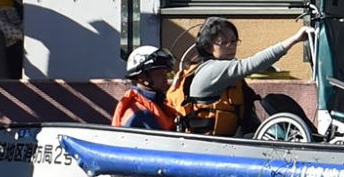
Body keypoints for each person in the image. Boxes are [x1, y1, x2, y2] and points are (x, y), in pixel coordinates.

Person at [167, 17, 313, 136]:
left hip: (233, 137)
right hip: (212, 144)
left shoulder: (224, 68)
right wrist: (295, 39)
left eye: (233, 40)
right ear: (207, 47)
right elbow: (252, 64)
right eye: (223, 42)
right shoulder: (211, 70)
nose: (231, 45)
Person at [113, 45, 178, 130]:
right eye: (159, 74)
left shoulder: (156, 103)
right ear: (142, 77)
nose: (165, 79)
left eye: (166, 73)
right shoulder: (141, 115)